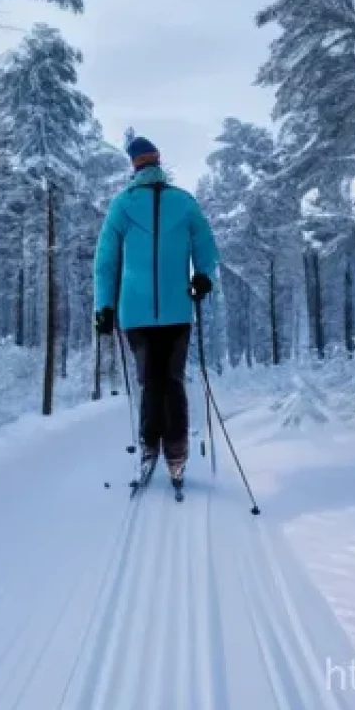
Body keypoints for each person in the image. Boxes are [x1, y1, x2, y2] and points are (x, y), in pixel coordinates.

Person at [93, 135, 218, 486]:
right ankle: (175, 452)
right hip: (178, 310)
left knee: (150, 382)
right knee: (172, 381)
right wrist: (203, 276)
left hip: (135, 313)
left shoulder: (122, 205)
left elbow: (106, 262)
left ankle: (150, 445)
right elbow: (206, 245)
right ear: (158, 164)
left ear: (135, 167)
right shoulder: (184, 202)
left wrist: (103, 306)